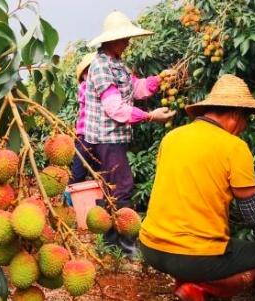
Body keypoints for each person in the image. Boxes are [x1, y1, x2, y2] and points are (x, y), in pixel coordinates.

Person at [139, 74, 255, 300]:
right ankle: (203, 289)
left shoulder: (172, 137)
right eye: (247, 119)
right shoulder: (234, 147)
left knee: (216, 245)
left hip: (150, 247)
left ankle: (191, 288)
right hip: (192, 256)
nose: (245, 127)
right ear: (236, 114)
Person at [85, 11, 175, 256]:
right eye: (123, 38)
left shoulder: (117, 64)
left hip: (114, 138)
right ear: (111, 40)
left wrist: (159, 80)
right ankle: (124, 247)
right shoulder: (101, 66)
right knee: (122, 186)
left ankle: (109, 242)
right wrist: (150, 116)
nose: (127, 43)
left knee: (111, 187)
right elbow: (115, 108)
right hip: (106, 139)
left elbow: (136, 88)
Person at [69, 52, 99, 184]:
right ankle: (70, 196)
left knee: (100, 169)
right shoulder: (84, 87)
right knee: (78, 172)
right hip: (84, 137)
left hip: (98, 137)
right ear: (84, 75)